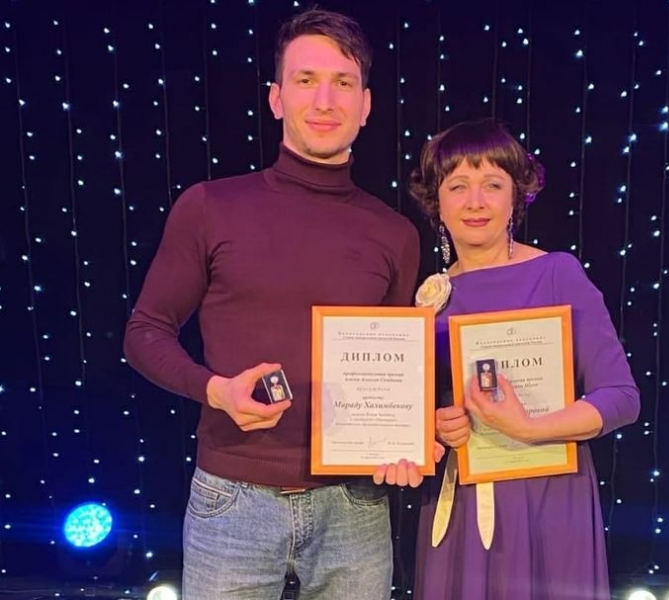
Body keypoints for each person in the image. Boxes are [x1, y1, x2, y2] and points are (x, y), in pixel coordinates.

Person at [123, 8, 421, 600]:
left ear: (366, 104)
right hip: (232, 500)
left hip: (355, 506)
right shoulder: (209, 207)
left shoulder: (396, 234)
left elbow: (397, 370)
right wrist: (215, 390)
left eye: (343, 83)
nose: (325, 100)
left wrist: (406, 442)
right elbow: (145, 332)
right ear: (276, 98)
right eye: (306, 80)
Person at [408, 119, 640, 600]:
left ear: (516, 195)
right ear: (437, 202)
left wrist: (529, 428)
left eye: (493, 185)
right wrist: (437, 426)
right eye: (458, 186)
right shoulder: (429, 300)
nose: (475, 202)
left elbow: (621, 398)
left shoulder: (557, 273)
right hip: (461, 507)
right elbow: (419, 418)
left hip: (549, 502)